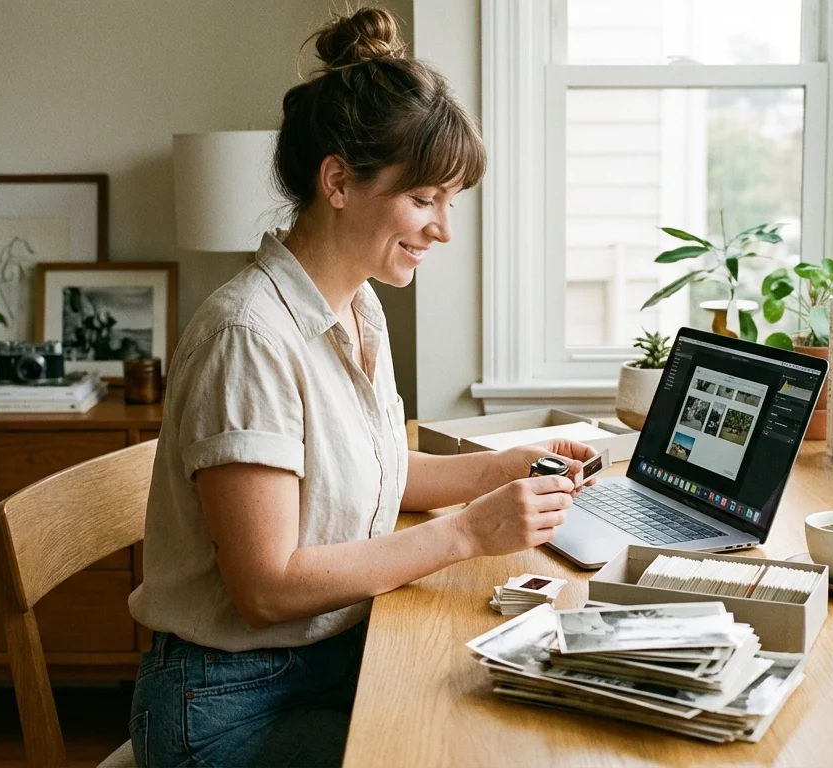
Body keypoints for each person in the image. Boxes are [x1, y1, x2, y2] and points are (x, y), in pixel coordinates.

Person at [126, 8, 596, 767]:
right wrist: (469, 532)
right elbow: (267, 588)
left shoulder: (356, 305)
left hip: (328, 658)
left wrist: (506, 469)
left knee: (526, 716)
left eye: (453, 201)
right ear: (338, 181)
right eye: (425, 199)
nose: (444, 228)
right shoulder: (248, 336)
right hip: (226, 706)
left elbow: (366, 474)